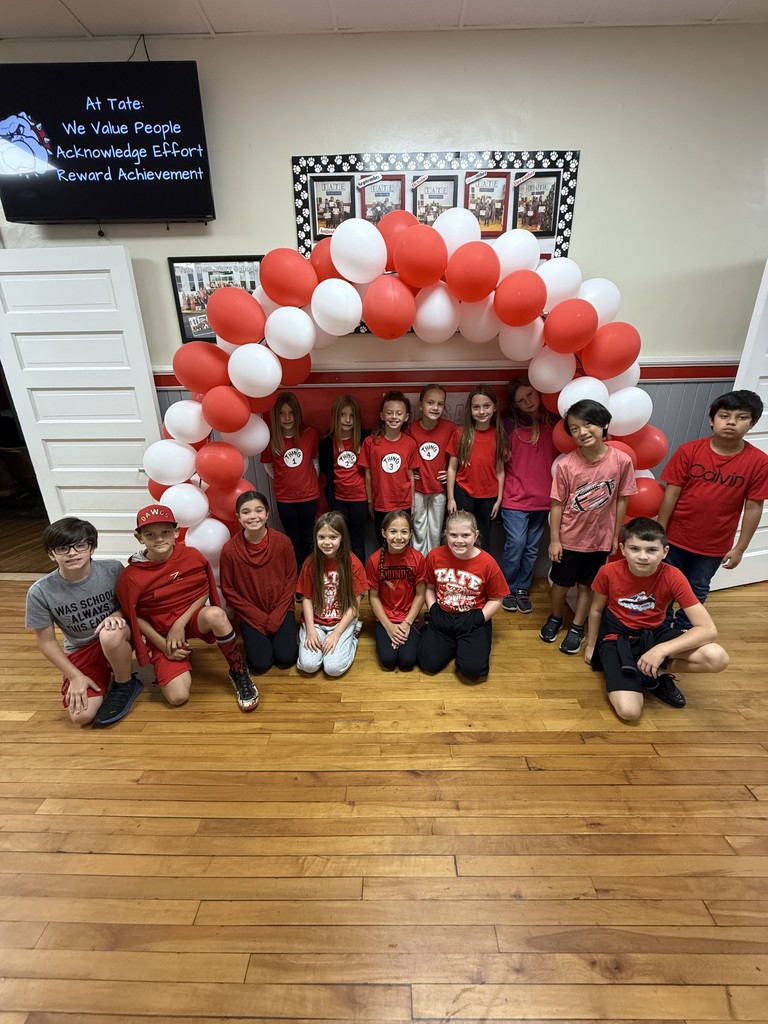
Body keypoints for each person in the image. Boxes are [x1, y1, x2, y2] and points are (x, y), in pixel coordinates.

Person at [117, 504, 259, 712]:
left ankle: (238, 670)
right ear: (139, 537)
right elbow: (133, 615)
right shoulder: (131, 576)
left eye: (166, 532)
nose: (159, 539)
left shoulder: (191, 556)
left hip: (188, 620)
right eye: (150, 534)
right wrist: (164, 644)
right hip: (160, 633)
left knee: (216, 615)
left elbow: (204, 589)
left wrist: (179, 624)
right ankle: (172, 657)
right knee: (178, 697)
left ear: (176, 532)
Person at [586, 517, 729, 721]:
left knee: (717, 657)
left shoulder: (673, 575)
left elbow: (708, 630)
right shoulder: (608, 571)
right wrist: (592, 645)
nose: (643, 556)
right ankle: (643, 669)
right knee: (629, 712)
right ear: (623, 549)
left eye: (651, 550)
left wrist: (660, 651)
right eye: (634, 549)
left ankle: (656, 672)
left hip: (655, 632)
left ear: (665, 552)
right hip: (618, 636)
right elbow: (596, 610)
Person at [657, 389, 768, 630]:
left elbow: (753, 507)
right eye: (724, 415)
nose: (731, 422)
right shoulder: (689, 451)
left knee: (697, 587)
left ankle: (684, 629)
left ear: (753, 423)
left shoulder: (759, 462)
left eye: (741, 417)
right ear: (711, 420)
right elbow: (672, 492)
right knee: (663, 584)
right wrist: (660, 530)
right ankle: (659, 627)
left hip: (713, 545)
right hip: (675, 537)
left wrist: (740, 548)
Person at [540, 399, 637, 655]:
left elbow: (622, 498)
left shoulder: (622, 461)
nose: (582, 432)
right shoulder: (566, 465)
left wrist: (616, 534)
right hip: (570, 538)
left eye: (588, 424)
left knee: (587, 586)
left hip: (600, 540)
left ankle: (577, 626)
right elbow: (557, 504)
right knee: (560, 584)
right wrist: (555, 540)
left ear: (604, 424)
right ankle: (555, 616)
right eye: (574, 428)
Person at [25, 517, 141, 727]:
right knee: (82, 716)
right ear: (51, 554)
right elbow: (46, 642)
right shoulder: (40, 592)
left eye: (80, 545)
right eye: (62, 548)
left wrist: (117, 614)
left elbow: (132, 606)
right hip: (83, 648)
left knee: (110, 633)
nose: (72, 553)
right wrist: (75, 676)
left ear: (92, 548)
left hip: (119, 637)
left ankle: (125, 683)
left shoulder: (113, 569)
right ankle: (104, 671)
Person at [418, 511, 507, 683]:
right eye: (453, 535)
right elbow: (429, 587)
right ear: (446, 534)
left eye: (465, 535)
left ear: (476, 535)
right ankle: (450, 643)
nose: (459, 541)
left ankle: (468, 644)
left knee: (471, 671)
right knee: (428, 663)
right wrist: (434, 608)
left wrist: (479, 618)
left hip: (472, 617)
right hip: (443, 614)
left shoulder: (487, 563)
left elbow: (497, 599)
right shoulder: (435, 556)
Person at [219, 491, 298, 676]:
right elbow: (228, 590)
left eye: (258, 510)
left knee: (286, 658)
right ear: (238, 517)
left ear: (267, 513)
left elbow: (291, 579)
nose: (253, 516)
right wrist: (260, 618)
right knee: (260, 664)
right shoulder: (229, 550)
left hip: (281, 608)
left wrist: (277, 615)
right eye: (246, 512)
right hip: (251, 613)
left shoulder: (283, 542)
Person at [500, 376, 558, 614]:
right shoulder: (510, 424)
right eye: (522, 400)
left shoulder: (555, 422)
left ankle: (522, 588)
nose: (528, 402)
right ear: (516, 405)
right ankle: (507, 587)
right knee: (516, 544)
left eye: (530, 395)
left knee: (532, 548)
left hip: (544, 499)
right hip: (514, 497)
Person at [296, 511, 368, 677]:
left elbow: (354, 606)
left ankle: (352, 637)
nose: (326, 542)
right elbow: (306, 599)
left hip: (341, 622)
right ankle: (312, 637)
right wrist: (311, 631)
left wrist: (337, 633)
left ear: (342, 538)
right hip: (316, 622)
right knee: (308, 665)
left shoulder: (353, 563)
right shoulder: (310, 563)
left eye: (333, 537)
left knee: (333, 669)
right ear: (316, 538)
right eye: (321, 537)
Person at [260, 391, 320, 567]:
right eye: (282, 413)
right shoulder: (271, 438)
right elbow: (269, 466)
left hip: (309, 496)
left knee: (309, 538)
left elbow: (315, 463)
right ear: (276, 416)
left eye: (291, 412)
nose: (287, 417)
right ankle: (297, 577)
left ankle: (310, 576)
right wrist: (284, 479)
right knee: (292, 539)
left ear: (297, 413)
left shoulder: (310, 434)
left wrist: (306, 480)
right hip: (285, 498)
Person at [447, 385, 510, 551]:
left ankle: (481, 574)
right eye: (476, 407)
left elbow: (500, 470)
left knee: (483, 536)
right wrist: (451, 498)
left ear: (494, 407)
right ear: (470, 410)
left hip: (488, 495)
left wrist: (499, 499)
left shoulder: (499, 434)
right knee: (460, 535)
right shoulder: (460, 433)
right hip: (463, 491)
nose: (481, 411)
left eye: (486, 406)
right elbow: (452, 468)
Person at [366, 510, 426, 671]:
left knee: (407, 662)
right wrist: (388, 626)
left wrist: (407, 623)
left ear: (411, 534)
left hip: (409, 618)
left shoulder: (418, 559)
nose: (399, 537)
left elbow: (421, 594)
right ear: (384, 533)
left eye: (404, 532)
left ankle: (420, 629)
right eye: (393, 531)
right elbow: (373, 597)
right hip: (385, 618)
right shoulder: (374, 560)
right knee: (388, 660)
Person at [359, 390, 419, 538]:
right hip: (381, 503)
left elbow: (411, 475)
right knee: (383, 541)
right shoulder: (370, 442)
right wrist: (370, 501)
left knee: (402, 541)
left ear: (406, 417)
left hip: (403, 503)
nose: (394, 417)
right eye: (389, 413)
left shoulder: (410, 443)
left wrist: (413, 502)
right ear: (382, 416)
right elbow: (367, 474)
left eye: (399, 413)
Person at [319, 394, 368, 564]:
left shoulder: (364, 440)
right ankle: (342, 580)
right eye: (343, 415)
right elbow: (325, 473)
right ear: (336, 417)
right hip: (338, 500)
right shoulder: (327, 443)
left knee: (358, 543)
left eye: (352, 416)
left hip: (360, 499)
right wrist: (331, 501)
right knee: (339, 543)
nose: (347, 420)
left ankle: (360, 585)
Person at [407, 383, 454, 555]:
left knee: (435, 531)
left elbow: (457, 458)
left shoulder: (450, 428)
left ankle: (433, 567)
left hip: (439, 489)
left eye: (440, 404)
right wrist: (409, 474)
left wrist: (450, 475)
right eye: (430, 402)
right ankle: (419, 567)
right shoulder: (410, 429)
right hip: (418, 489)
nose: (435, 407)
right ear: (420, 405)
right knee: (418, 529)